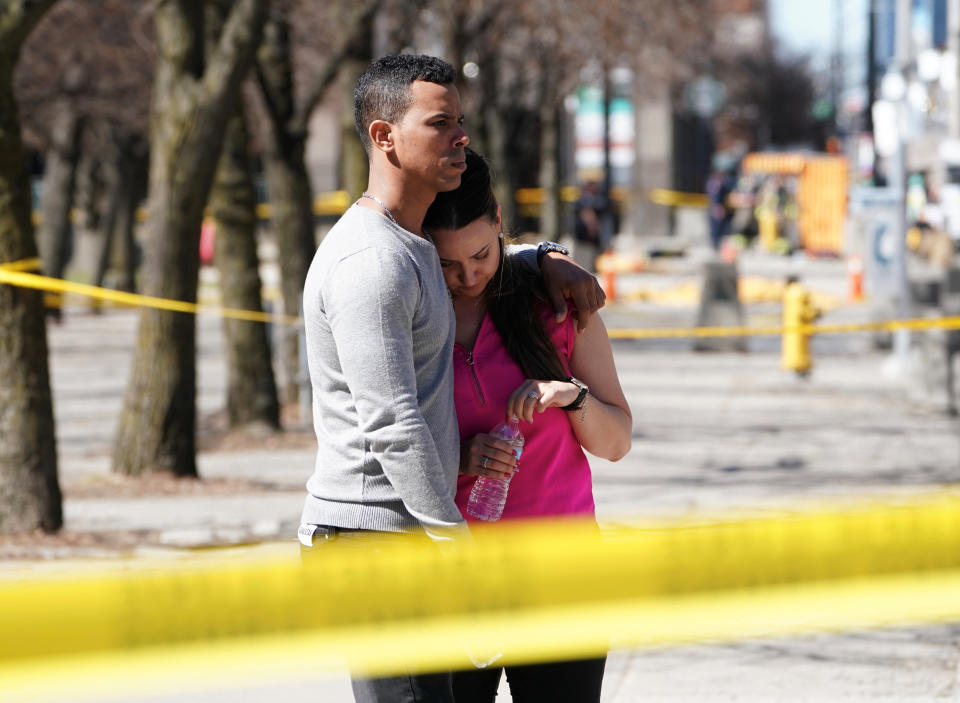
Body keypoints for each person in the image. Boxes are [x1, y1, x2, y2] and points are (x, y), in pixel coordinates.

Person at [297, 55, 606, 703]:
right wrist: (455, 544)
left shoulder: (407, 245)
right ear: (384, 137)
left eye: (460, 120)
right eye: (441, 123)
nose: (460, 135)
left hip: (415, 539)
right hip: (383, 544)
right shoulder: (371, 262)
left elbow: (469, 254)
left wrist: (539, 254)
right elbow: (390, 420)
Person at [423, 148, 633, 703]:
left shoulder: (559, 307)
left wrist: (572, 398)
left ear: (499, 222)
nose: (467, 276)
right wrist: (458, 458)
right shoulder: (413, 319)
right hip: (452, 579)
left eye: (481, 255)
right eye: (447, 263)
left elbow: (616, 443)